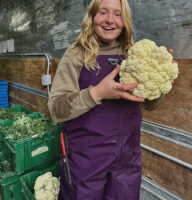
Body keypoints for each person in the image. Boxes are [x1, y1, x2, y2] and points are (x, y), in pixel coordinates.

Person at [48, 0, 164, 199]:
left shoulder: (133, 54)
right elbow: (55, 110)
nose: (110, 20)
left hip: (127, 160)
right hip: (85, 162)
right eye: (103, 12)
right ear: (92, 17)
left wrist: (160, 79)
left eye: (117, 14)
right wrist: (96, 94)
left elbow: (150, 103)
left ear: (125, 19)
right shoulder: (75, 55)